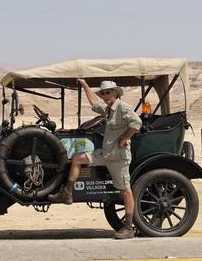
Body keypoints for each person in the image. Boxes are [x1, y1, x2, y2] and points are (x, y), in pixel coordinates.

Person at [48, 79, 142, 239]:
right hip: (106, 154)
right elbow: (94, 103)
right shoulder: (108, 109)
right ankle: (67, 193)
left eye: (108, 92)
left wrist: (124, 138)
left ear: (116, 92)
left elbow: (137, 122)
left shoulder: (123, 107)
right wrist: (84, 85)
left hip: (118, 157)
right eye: (103, 93)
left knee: (125, 190)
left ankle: (128, 228)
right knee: (77, 158)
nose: (105, 95)